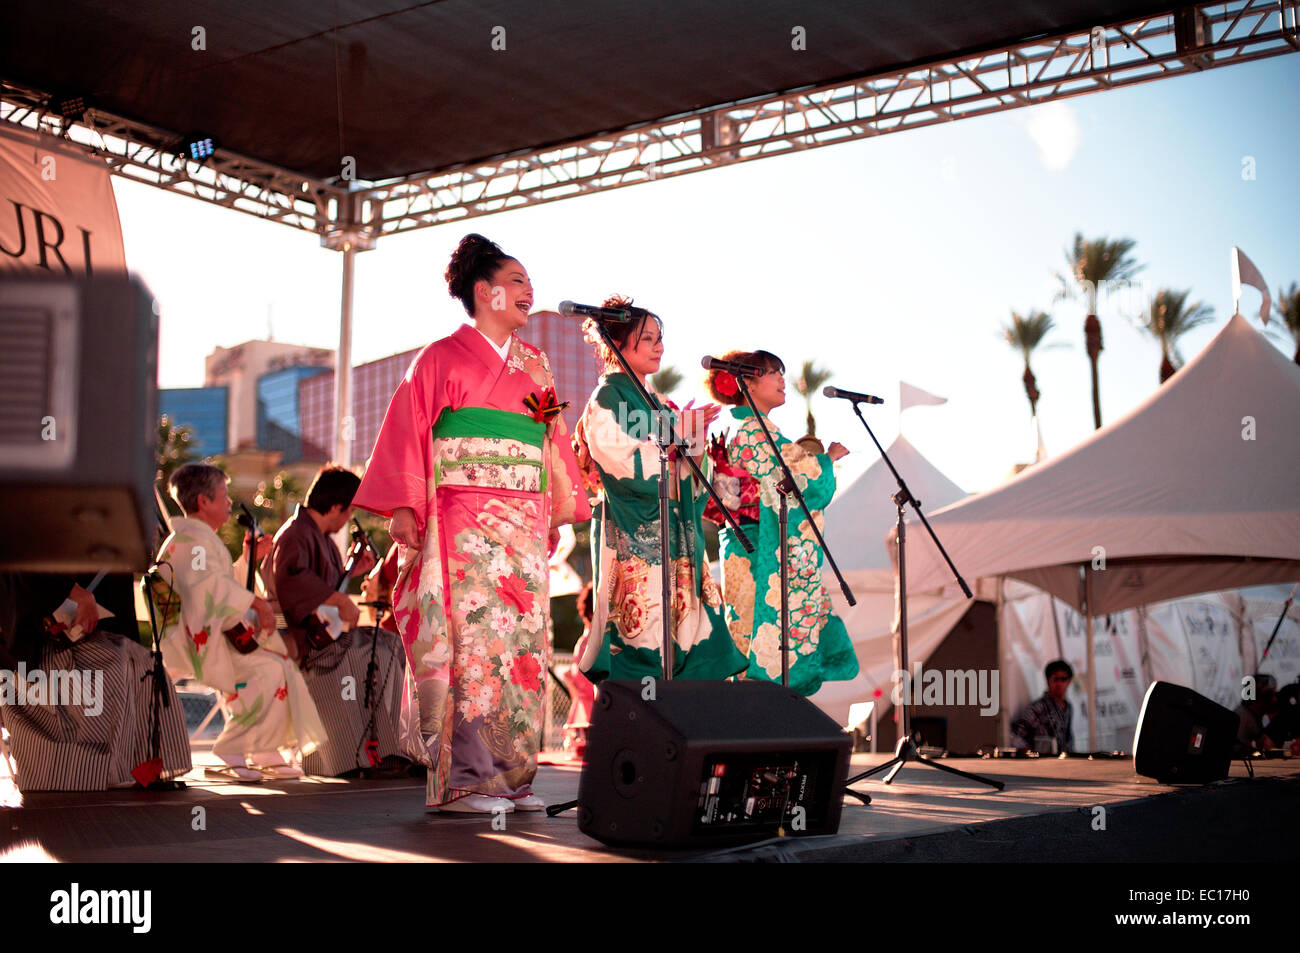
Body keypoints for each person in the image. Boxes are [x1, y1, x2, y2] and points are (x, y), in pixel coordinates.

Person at [352, 233, 590, 814]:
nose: (529, 291)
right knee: (473, 647)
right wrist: (408, 505)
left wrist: (555, 506)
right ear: (484, 293)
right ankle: (461, 782)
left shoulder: (536, 365)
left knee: (523, 647)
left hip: (522, 519)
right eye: (517, 281)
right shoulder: (438, 357)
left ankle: (512, 779)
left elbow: (553, 439)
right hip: (463, 518)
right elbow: (408, 428)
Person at [572, 297, 747, 683]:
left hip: (674, 534)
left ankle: (677, 719)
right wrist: (678, 433)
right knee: (642, 628)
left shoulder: (659, 403)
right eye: (647, 338)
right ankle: (638, 724)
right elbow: (620, 460)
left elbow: (684, 464)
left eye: (659, 338)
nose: (659, 347)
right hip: (632, 529)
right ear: (616, 343)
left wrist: (694, 440)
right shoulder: (607, 398)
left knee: (678, 626)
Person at [156, 463, 326, 781]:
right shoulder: (192, 541)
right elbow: (213, 590)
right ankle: (232, 748)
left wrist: (249, 560)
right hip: (192, 641)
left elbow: (219, 586)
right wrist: (255, 602)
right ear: (204, 502)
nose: (230, 503)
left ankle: (263, 747)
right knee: (268, 667)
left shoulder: (196, 539)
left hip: (206, 633)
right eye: (223, 495)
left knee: (278, 662)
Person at [703, 350, 859, 696]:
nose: (781, 380)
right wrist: (828, 458)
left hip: (749, 539)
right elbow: (798, 476)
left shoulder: (745, 426)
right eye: (773, 373)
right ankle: (755, 726)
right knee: (754, 630)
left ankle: (755, 726)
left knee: (748, 629)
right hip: (758, 544)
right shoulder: (749, 428)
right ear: (749, 382)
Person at [270, 465, 411, 778]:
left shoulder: (312, 534)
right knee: (371, 652)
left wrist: (351, 569)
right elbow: (294, 581)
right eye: (348, 512)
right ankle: (349, 755)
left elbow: (324, 585)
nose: (349, 518)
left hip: (323, 636)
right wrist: (337, 599)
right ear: (335, 507)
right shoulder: (295, 534)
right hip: (308, 641)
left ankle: (386, 748)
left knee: (389, 644)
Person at [0, 572, 191, 791]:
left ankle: (138, 766)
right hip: (40, 646)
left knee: (143, 663)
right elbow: (22, 565)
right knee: (110, 669)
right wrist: (76, 594)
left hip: (92, 632)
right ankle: (99, 770)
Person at [1009, 659, 1074, 754]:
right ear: (1048, 681)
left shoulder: (1068, 707)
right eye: (1055, 679)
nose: (1059, 684)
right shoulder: (1038, 708)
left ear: (1069, 681)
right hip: (1042, 763)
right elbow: (1016, 734)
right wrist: (1029, 753)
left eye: (1063, 679)